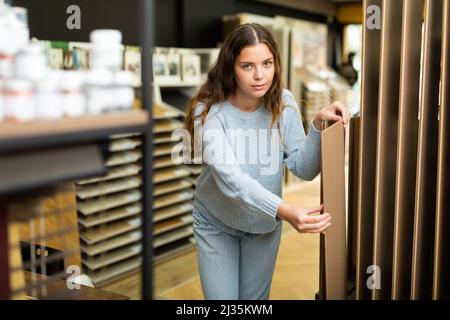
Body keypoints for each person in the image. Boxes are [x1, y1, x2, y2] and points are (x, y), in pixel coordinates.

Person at [183, 23, 350, 300]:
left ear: (276, 63)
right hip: (216, 223)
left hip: (262, 226)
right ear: (230, 67)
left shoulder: (281, 103)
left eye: (267, 63)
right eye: (247, 66)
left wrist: (319, 126)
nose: (260, 75)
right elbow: (232, 180)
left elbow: (303, 168)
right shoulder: (209, 110)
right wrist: (285, 210)